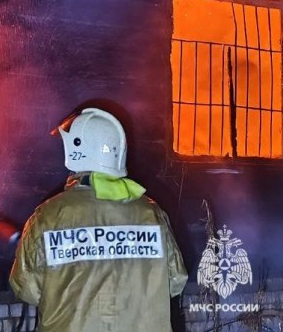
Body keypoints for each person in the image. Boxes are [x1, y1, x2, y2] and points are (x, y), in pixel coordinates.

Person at [9, 107, 187, 332]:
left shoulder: (48, 216)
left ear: (76, 151)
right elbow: (176, 281)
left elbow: (26, 289)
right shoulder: (151, 214)